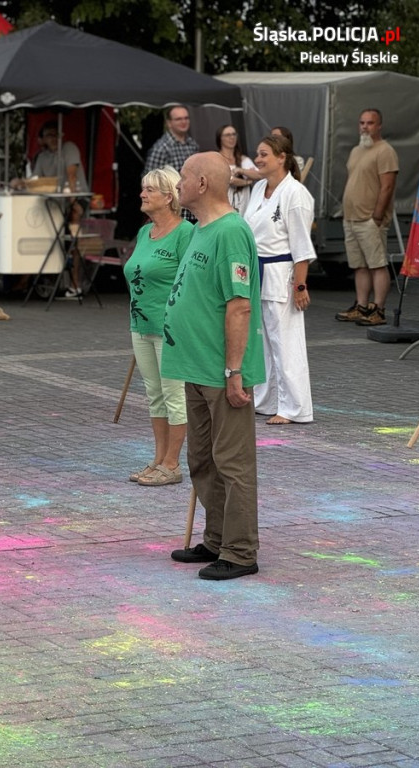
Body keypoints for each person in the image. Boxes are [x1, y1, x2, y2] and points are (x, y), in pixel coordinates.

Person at [161, 152, 265, 581]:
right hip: (196, 366)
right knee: (202, 459)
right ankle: (218, 537)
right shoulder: (200, 229)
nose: (177, 185)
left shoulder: (231, 233)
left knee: (232, 462)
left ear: (202, 183)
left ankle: (241, 552)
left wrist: (234, 370)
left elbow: (239, 306)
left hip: (222, 372)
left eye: (182, 177)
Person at [122, 166, 193, 486]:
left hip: (170, 327)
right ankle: (159, 457)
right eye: (143, 188)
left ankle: (173, 463)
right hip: (140, 322)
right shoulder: (142, 232)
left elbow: (191, 282)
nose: (142, 194)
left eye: (150, 189)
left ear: (169, 197)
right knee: (154, 394)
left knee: (174, 394)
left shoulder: (185, 233)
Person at [245, 135, 315, 425]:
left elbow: (301, 246)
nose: (258, 159)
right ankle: (265, 400)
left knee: (286, 344)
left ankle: (293, 407)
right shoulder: (259, 187)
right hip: (257, 273)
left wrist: (300, 285)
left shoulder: (295, 194)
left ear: (281, 157)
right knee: (262, 343)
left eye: (263, 155)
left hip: (282, 275)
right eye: (257, 155)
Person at [335, 108, 398, 327]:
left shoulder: (385, 151)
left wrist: (378, 217)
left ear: (379, 125)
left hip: (370, 220)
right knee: (359, 265)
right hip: (351, 218)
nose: (364, 127)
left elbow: (387, 186)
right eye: (361, 122)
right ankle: (361, 306)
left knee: (377, 265)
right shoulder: (356, 150)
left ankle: (378, 309)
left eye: (370, 123)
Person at [144, 105, 199, 177]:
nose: (183, 121)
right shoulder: (161, 148)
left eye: (186, 118)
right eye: (178, 119)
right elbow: (149, 180)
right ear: (169, 123)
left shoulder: (193, 144)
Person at [215, 124, 259, 215]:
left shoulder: (244, 159)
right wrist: (248, 181)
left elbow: (259, 174)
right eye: (228, 135)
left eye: (234, 134)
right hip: (225, 208)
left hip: (245, 206)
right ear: (220, 138)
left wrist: (241, 170)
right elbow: (230, 180)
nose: (232, 137)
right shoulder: (216, 159)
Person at [32, 121, 84, 192]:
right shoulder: (42, 157)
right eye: (50, 135)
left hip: (76, 197)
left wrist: (74, 200)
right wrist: (21, 183)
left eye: (56, 134)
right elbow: (36, 180)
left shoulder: (69, 148)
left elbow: (72, 175)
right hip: (54, 201)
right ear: (43, 139)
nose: (54, 138)